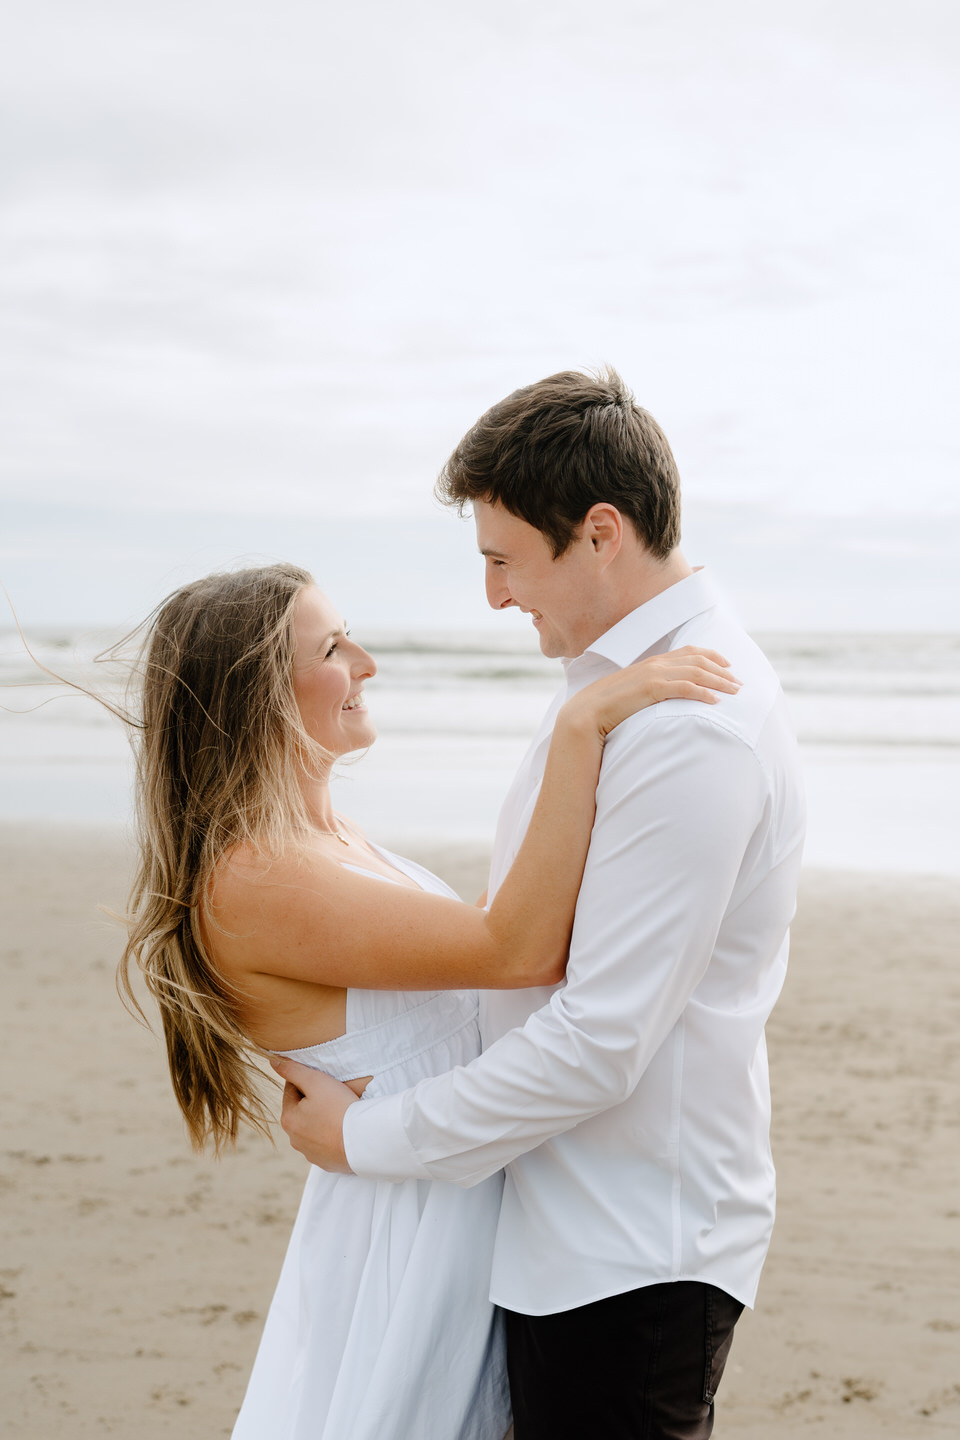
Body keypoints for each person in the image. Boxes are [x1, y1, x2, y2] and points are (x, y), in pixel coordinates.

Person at [274, 368, 807, 1439]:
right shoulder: (622, 694)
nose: (495, 596)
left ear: (599, 533)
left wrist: (368, 1137)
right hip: (579, 1231)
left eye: (504, 559)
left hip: (628, 1250)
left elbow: (599, 1037)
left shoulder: (688, 725)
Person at [116, 560, 737, 1440]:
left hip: (448, 1194)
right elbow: (515, 949)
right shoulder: (253, 875)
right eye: (333, 647)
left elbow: (484, 944)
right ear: (256, 697)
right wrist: (582, 725)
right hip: (409, 1231)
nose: (367, 663)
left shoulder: (330, 842)